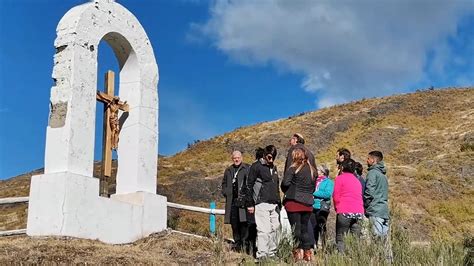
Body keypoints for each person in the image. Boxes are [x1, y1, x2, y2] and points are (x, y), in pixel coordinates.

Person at [246, 145, 281, 260]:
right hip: (261, 202)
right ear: (265, 155)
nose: (271, 159)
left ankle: (272, 253)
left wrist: (279, 203)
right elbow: (249, 185)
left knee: (275, 229)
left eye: (273, 157)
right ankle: (262, 255)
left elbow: (276, 186)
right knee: (264, 230)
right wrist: (250, 203)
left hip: (274, 203)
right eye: (269, 156)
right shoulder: (256, 166)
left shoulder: (274, 168)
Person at [281, 148, 316, 262]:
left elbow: (285, 183)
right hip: (308, 203)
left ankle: (297, 254)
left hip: (294, 202)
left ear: (294, 156)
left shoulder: (293, 168)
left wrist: (288, 190)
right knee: (304, 229)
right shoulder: (312, 170)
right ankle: (308, 254)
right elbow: (313, 188)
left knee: (296, 230)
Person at [333, 158, 364, 253]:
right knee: (355, 240)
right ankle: (354, 259)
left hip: (345, 210)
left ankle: (341, 260)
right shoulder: (357, 180)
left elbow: (336, 196)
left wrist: (337, 208)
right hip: (358, 212)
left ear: (342, 167)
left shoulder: (340, 178)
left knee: (341, 238)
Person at [221, 150, 250, 251]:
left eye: (238, 157)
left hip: (243, 201)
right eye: (234, 158)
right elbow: (223, 183)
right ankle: (237, 244)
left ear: (241, 158)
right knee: (234, 223)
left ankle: (245, 245)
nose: (236, 159)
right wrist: (226, 192)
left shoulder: (247, 168)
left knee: (244, 223)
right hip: (232, 201)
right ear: (232, 159)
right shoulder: (228, 170)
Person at [364, 151, 389, 237]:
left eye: (368, 158)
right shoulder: (383, 175)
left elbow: (369, 191)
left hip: (375, 210)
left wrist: (366, 205)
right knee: (384, 241)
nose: (366, 161)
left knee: (376, 239)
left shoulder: (372, 173)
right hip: (384, 211)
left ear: (373, 160)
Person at [310, 164, 334, 250]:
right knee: (313, 227)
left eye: (318, 170)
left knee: (322, 227)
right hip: (312, 206)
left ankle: (324, 247)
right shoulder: (314, 181)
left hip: (322, 207)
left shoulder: (329, 182)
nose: (316, 172)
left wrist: (314, 193)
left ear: (323, 172)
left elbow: (327, 194)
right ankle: (313, 246)